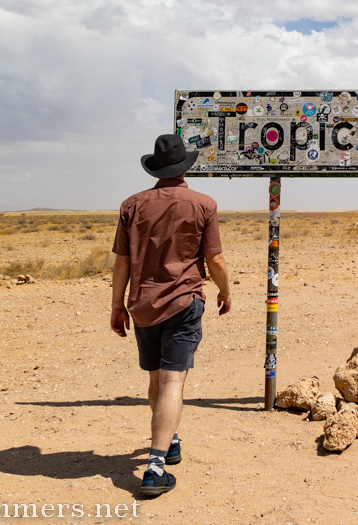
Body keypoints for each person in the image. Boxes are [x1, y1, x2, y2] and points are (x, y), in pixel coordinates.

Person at [109, 134, 231, 497]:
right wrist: (226, 290)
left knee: (157, 377)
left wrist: (117, 306)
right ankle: (155, 467)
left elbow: (122, 262)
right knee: (174, 382)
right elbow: (216, 259)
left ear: (156, 168)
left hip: (143, 305)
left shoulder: (132, 205)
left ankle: (170, 439)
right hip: (183, 301)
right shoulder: (203, 204)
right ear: (185, 167)